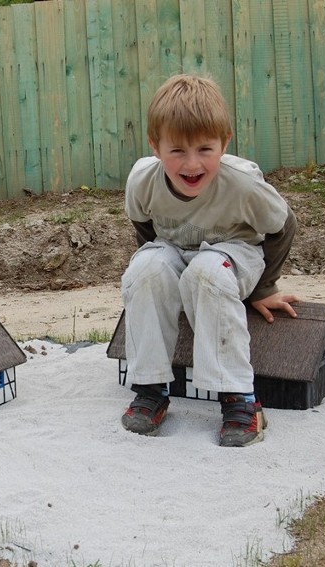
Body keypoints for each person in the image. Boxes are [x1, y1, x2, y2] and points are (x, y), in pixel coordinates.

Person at [120, 73, 299, 447]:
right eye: (177, 151)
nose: (191, 164)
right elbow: (143, 225)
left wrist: (263, 288)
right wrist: (163, 281)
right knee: (145, 269)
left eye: (205, 149)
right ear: (155, 146)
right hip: (175, 248)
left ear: (224, 142)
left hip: (234, 254)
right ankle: (151, 389)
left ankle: (239, 399)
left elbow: (283, 226)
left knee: (207, 274)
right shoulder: (143, 181)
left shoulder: (243, 185)